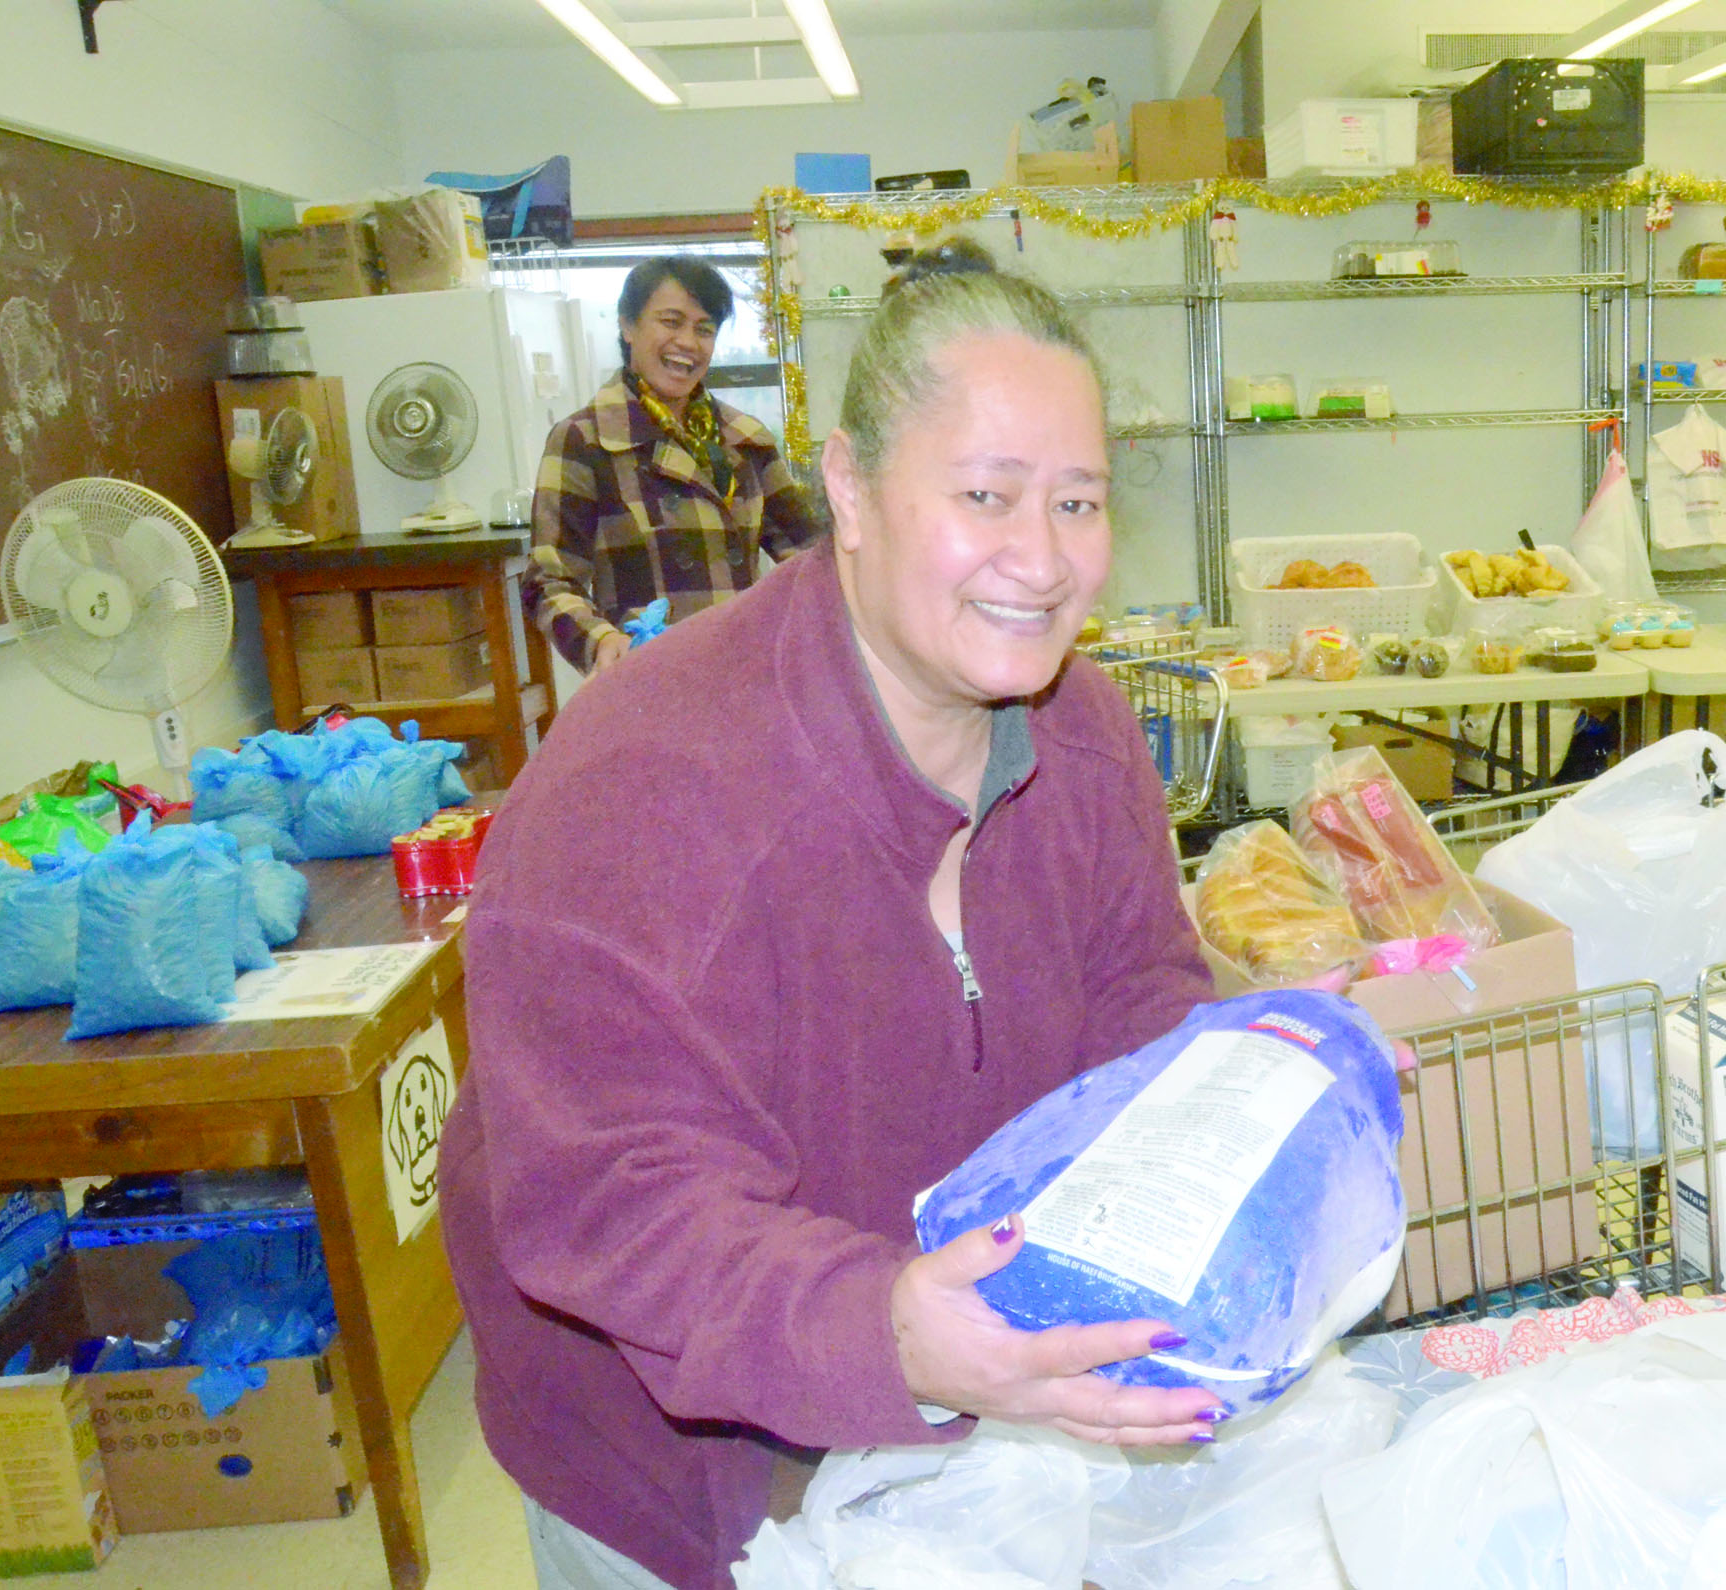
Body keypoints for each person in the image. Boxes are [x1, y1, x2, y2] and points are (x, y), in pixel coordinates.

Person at [443, 239, 1227, 1590]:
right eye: (987, 493)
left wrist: (1249, 1087)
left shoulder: (1084, 737)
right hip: (666, 1458)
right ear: (852, 488)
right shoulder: (643, 785)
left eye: (1080, 503)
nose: (1041, 562)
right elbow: (623, 1203)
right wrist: (889, 1333)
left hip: (953, 1410)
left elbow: (1142, 996)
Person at [523, 254, 819, 678]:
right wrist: (602, 641)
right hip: (650, 678)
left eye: (704, 330)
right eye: (671, 321)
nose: (688, 343)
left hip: (749, 675)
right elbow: (548, 580)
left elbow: (810, 554)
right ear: (627, 326)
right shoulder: (584, 440)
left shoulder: (745, 438)